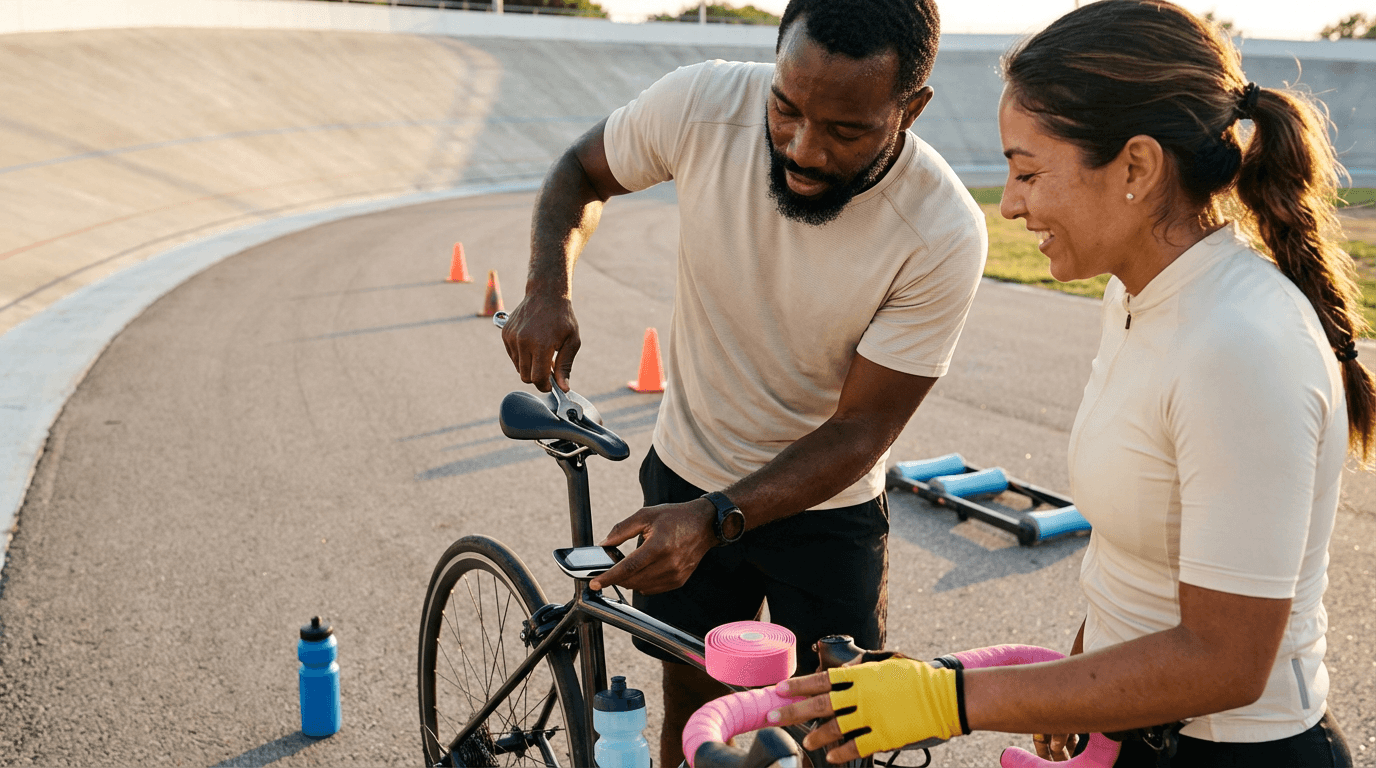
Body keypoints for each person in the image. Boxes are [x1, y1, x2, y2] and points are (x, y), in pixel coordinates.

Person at [768, 2, 1362, 766]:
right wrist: (1078, 686)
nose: (1011, 202)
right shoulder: (1141, 294)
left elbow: (1227, 661)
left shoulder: (1241, 344)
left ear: (1137, 169)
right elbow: (1142, 555)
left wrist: (947, 697)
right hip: (1142, 733)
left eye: (1027, 171)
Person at [499, 0, 987, 764]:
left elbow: (863, 427)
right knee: (693, 717)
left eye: (846, 130)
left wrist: (718, 516)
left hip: (826, 510)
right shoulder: (703, 102)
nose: (803, 146)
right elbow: (580, 172)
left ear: (911, 108)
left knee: (826, 739)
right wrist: (546, 284)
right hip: (687, 469)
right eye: (785, 108)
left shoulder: (942, 229)